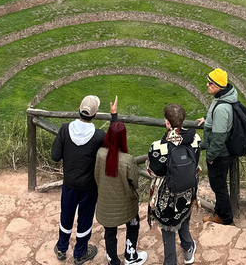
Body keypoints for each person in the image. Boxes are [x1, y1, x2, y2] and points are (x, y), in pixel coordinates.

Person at [52, 95, 118, 264]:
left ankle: (61, 248)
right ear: (95, 116)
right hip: (89, 185)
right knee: (85, 218)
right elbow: (113, 143)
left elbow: (55, 156)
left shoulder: (65, 129)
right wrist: (114, 116)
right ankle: (80, 252)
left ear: (78, 111)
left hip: (69, 183)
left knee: (66, 215)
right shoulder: (98, 135)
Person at [147, 103, 201, 265]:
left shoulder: (158, 147)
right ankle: (187, 249)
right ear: (182, 121)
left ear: (167, 123)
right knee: (183, 217)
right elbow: (195, 161)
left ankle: (170, 261)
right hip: (188, 189)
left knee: (168, 229)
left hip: (167, 194)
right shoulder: (195, 139)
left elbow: (152, 170)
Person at [95, 121, 148, 265]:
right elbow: (135, 183)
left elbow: (97, 176)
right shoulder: (127, 160)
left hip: (106, 203)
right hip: (126, 203)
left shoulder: (100, 154)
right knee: (133, 225)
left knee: (110, 233)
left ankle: (113, 260)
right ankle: (130, 256)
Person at [196, 68, 236, 225]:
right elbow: (220, 122)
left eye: (210, 83)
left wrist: (211, 156)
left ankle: (225, 219)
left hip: (220, 154)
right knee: (219, 185)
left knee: (218, 187)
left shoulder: (222, 107)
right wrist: (208, 119)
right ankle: (219, 214)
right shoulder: (224, 99)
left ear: (218, 86)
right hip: (224, 152)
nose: (207, 85)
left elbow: (219, 137)